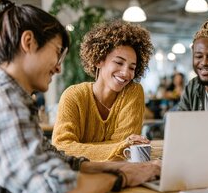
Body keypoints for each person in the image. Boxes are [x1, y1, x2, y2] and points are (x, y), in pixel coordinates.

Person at [0, 0, 169, 193]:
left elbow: (56, 156)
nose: (59, 68)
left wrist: (117, 165)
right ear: (28, 42)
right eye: (56, 53)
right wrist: (122, 178)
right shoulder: (6, 102)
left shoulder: (11, 97)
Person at [52, 20, 153, 161]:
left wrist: (81, 147)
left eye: (132, 67)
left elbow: (123, 154)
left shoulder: (133, 92)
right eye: (119, 62)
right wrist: (119, 146)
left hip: (120, 173)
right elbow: (62, 147)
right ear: (99, 60)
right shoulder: (74, 96)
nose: (126, 73)